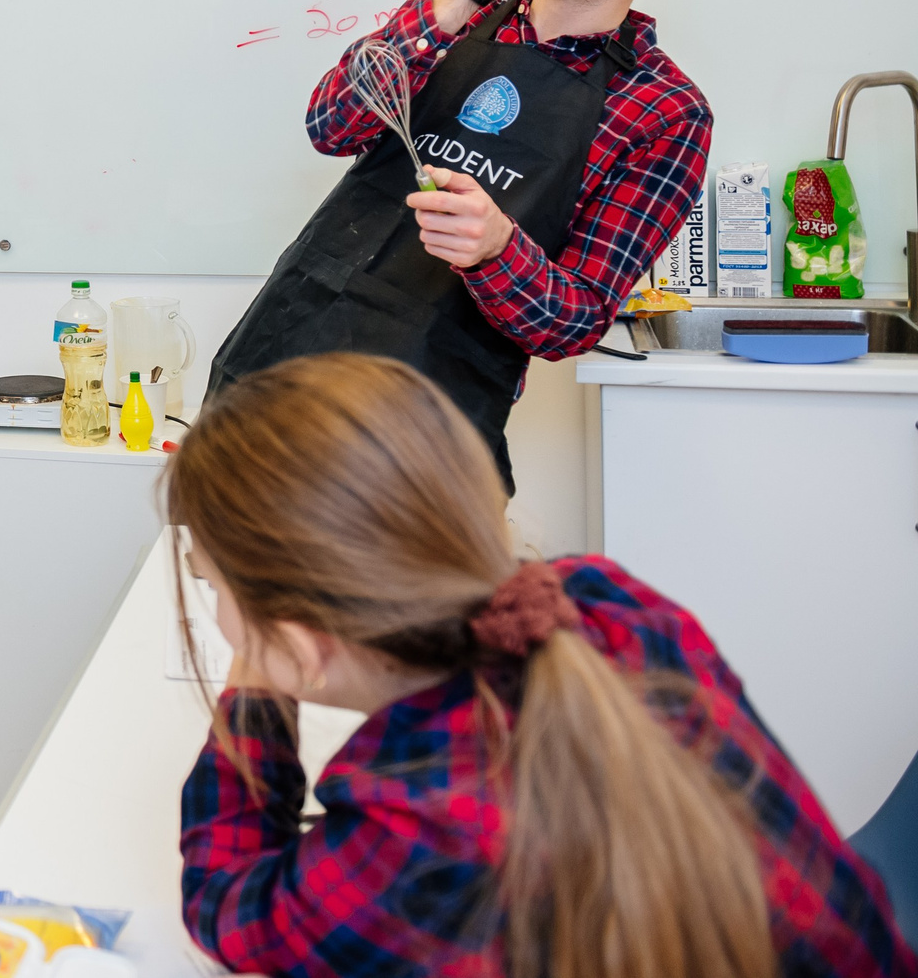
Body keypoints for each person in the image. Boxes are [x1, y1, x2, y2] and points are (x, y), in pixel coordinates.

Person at [171, 352, 913, 978]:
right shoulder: (604, 599)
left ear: (303, 645)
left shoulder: (410, 834)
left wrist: (257, 681)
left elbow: (231, 902)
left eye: (212, 582)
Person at [208, 0, 722, 488]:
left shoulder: (664, 110)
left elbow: (576, 321)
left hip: (420, 452)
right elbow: (331, 123)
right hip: (274, 378)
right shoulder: (462, 6)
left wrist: (496, 247)